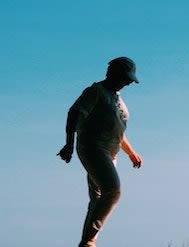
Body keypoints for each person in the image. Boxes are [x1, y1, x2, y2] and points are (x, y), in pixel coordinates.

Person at [57, 57, 143, 247]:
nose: (128, 82)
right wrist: (68, 144)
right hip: (93, 148)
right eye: (126, 78)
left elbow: (117, 129)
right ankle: (88, 241)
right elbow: (74, 113)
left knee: (97, 199)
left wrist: (130, 152)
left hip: (111, 153)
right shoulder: (95, 91)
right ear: (114, 74)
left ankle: (88, 242)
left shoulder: (117, 98)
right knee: (113, 190)